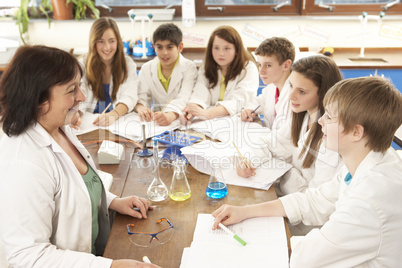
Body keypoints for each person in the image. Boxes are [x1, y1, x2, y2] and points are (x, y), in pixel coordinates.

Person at [212, 76, 402, 267]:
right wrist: (245, 212)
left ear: (356, 132)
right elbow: (315, 201)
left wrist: (257, 245)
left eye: (328, 116)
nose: (320, 120)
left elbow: (307, 259)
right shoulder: (368, 159)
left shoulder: (370, 198)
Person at [0, 45, 158, 268]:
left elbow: (76, 187)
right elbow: (28, 256)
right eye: (71, 89)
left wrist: (113, 202)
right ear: (38, 99)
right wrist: (111, 266)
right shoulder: (22, 162)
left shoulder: (58, 128)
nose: (82, 97)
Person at [238, 55, 343, 196]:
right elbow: (268, 143)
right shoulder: (302, 117)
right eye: (291, 86)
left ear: (324, 94)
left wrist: (287, 172)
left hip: (302, 212)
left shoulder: (331, 136)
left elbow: (316, 197)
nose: (290, 96)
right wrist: (248, 160)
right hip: (288, 199)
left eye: (302, 92)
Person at [181, 25, 259, 122]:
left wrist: (208, 114)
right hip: (211, 123)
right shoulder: (206, 67)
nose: (221, 53)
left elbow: (238, 102)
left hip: (239, 121)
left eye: (227, 48)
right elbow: (200, 93)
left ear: (236, 50)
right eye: (216, 48)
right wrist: (192, 110)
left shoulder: (248, 68)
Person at [78, 17, 139, 127]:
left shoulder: (127, 64)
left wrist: (113, 114)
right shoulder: (82, 64)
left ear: (118, 41)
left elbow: (129, 97)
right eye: (101, 41)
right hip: (90, 125)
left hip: (117, 124)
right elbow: (76, 98)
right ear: (93, 42)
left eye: (111, 41)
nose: (107, 47)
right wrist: (76, 115)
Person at [134, 23, 197, 126]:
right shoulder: (147, 68)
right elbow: (142, 96)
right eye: (159, 47)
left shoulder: (189, 67)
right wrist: (142, 109)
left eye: (169, 47)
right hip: (156, 122)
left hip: (179, 120)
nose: (164, 53)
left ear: (180, 47)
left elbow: (184, 97)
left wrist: (171, 115)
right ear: (154, 47)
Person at [241, 37, 295, 129]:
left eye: (268, 65)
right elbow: (259, 102)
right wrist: (248, 110)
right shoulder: (272, 87)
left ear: (286, 65)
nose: (261, 71)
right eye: (259, 65)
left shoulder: (295, 95)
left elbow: (286, 135)